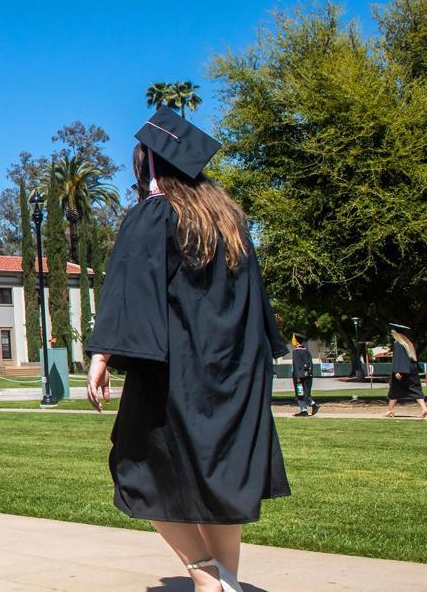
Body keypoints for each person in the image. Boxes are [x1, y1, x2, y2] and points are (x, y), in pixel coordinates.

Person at [85, 107, 289, 592]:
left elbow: (130, 287)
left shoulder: (156, 214)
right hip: (233, 372)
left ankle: (203, 573)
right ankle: (230, 581)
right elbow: (256, 304)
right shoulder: (230, 222)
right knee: (219, 476)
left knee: (135, 466)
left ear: (150, 168)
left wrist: (103, 355)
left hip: (175, 373)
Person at [385, 323, 426, 419]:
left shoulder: (398, 343)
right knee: (414, 388)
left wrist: (398, 370)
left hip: (402, 369)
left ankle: (390, 410)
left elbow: (400, 358)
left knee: (395, 387)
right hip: (411, 368)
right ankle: (424, 408)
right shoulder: (408, 343)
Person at [290, 337, 318, 417]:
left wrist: (298, 376)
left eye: (293, 339)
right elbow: (309, 364)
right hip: (307, 374)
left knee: (300, 393)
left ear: (296, 341)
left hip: (299, 376)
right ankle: (308, 409)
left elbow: (297, 365)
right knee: (305, 392)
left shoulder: (296, 351)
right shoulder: (306, 350)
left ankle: (308, 408)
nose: (292, 341)